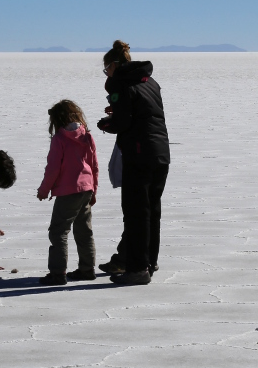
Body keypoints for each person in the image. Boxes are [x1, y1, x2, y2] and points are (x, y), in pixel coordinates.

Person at [96, 40, 170, 285]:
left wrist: (107, 124)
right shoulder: (150, 82)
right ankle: (149, 261)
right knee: (152, 210)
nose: (106, 74)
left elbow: (124, 123)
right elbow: (143, 114)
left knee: (136, 212)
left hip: (138, 155)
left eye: (106, 69)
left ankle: (137, 269)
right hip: (160, 153)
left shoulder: (121, 83)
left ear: (114, 65)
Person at [36, 100, 99, 286]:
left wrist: (44, 190)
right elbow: (94, 165)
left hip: (68, 192)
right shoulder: (86, 135)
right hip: (86, 188)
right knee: (84, 231)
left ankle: (57, 273)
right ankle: (87, 269)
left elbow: (53, 168)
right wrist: (93, 189)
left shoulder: (60, 139)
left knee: (59, 231)